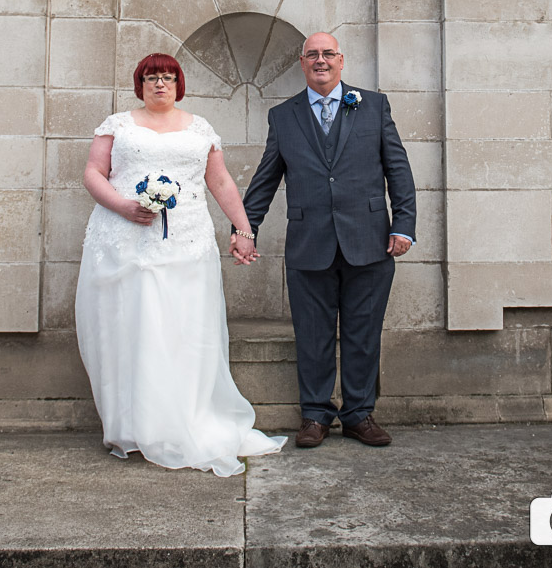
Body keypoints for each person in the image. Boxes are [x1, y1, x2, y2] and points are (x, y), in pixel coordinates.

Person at [75, 52, 286, 477]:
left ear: (179, 84)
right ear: (140, 84)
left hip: (186, 245)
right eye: (152, 77)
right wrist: (123, 206)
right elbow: (94, 173)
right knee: (133, 328)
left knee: (183, 329)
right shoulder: (117, 125)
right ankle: (135, 424)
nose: (160, 84)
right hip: (126, 244)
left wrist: (243, 230)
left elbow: (221, 181)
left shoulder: (200, 128)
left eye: (168, 78)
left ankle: (183, 418)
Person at [236, 32, 416, 449]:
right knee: (313, 333)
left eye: (328, 54)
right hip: (309, 241)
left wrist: (403, 224)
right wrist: (245, 230)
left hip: (370, 240)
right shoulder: (283, 116)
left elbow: (399, 169)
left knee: (363, 332)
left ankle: (358, 414)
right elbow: (265, 180)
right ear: (302, 63)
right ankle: (315, 415)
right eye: (312, 55)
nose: (321, 60)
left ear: (341, 61)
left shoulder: (373, 105)